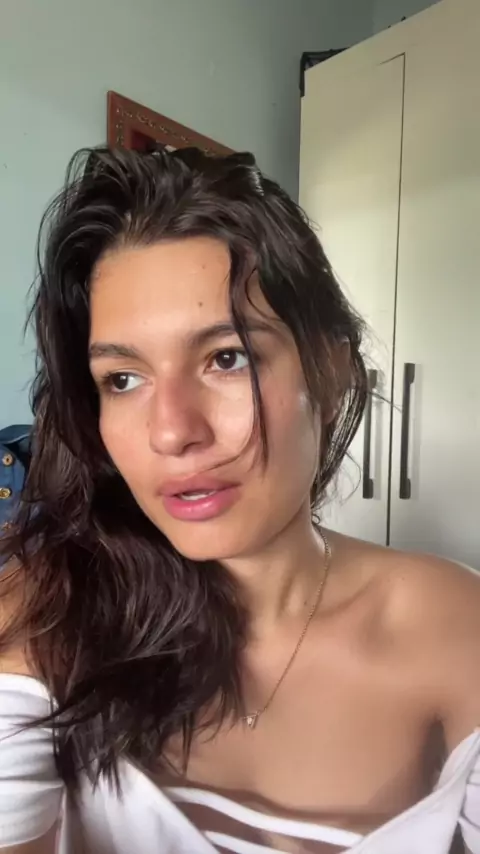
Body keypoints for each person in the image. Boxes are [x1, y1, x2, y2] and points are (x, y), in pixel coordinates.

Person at [0, 147, 478, 854]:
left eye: (227, 358)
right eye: (123, 379)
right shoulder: (45, 613)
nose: (172, 432)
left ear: (331, 370)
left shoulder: (453, 623)